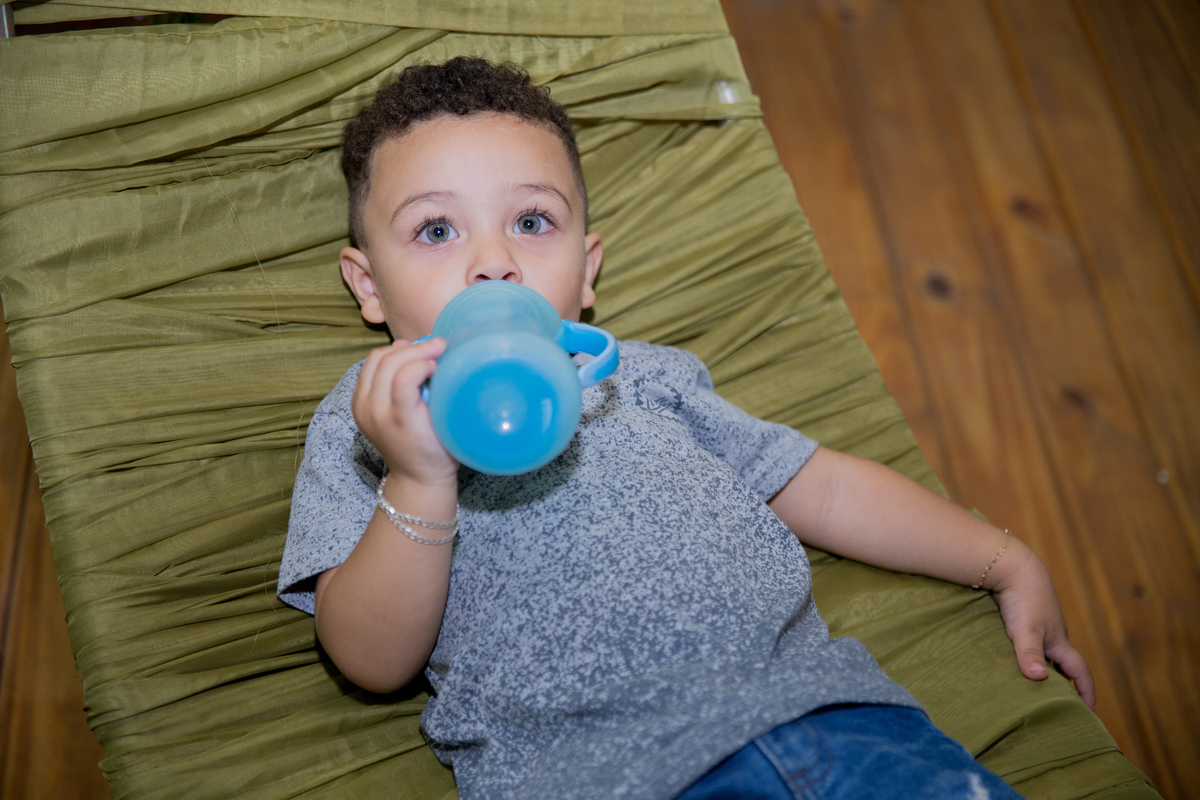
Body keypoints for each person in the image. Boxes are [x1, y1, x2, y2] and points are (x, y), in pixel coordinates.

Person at [278, 57, 1094, 800]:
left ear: (587, 270)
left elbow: (825, 486)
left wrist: (1002, 559)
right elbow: (369, 660)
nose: (493, 263)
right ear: (368, 285)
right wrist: (418, 479)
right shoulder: (366, 420)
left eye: (531, 222)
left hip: (834, 727)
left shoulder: (648, 376)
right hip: (598, 781)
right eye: (435, 230)